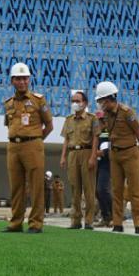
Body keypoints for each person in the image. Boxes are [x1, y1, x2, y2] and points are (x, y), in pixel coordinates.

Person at [2, 62, 54, 233]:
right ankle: (16, 222)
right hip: (13, 146)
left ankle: (36, 223)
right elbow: (8, 125)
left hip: (33, 144)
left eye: (25, 78)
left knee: (36, 185)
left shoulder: (38, 100)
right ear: (12, 81)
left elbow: (49, 125)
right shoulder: (8, 103)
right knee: (16, 186)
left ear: (29, 80)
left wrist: (37, 140)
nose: (22, 82)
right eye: (18, 79)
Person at [95, 81, 139, 234]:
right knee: (116, 190)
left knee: (134, 190)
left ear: (109, 98)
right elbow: (103, 133)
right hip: (115, 154)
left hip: (130, 152)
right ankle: (117, 223)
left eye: (101, 101)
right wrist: (100, 120)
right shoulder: (106, 116)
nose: (100, 104)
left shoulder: (127, 112)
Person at [60, 90, 99, 230]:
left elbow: (96, 138)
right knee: (74, 188)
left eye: (78, 101)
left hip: (87, 151)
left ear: (85, 103)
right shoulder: (68, 119)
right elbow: (66, 139)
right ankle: (75, 220)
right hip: (72, 154)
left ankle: (89, 221)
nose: (75, 103)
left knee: (89, 188)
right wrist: (63, 156)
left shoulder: (92, 118)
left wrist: (93, 156)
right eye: (73, 101)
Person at [94, 128, 113, 227]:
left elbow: (108, 149)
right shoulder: (95, 132)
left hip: (105, 164)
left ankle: (114, 215)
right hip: (97, 164)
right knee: (97, 192)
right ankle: (105, 217)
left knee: (102, 189)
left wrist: (96, 152)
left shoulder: (107, 132)